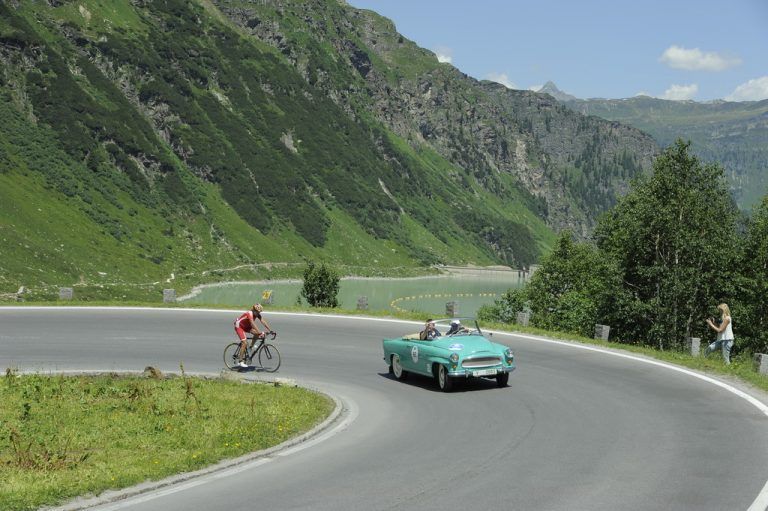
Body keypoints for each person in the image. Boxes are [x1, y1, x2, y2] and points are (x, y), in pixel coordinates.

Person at [234, 303, 273, 368]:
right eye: (258, 312)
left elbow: (262, 320)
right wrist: (259, 332)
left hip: (246, 326)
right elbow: (252, 323)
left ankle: (250, 347)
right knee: (244, 343)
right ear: (254, 310)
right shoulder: (250, 313)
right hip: (239, 326)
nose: (258, 313)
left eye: (259, 312)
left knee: (257, 334)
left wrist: (270, 330)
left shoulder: (256, 314)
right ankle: (240, 361)